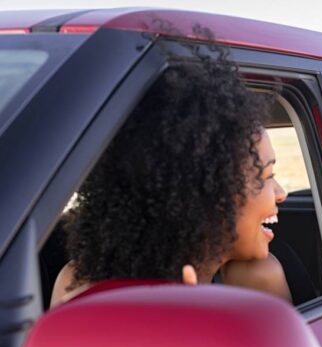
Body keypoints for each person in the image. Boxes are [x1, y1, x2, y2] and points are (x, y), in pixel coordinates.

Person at [50, 44, 292, 306]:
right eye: (267, 175)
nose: (281, 193)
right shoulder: (81, 284)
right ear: (205, 195)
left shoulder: (257, 279)